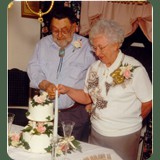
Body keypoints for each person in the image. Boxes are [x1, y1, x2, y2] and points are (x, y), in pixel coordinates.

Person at [58, 20, 152, 160]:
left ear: (116, 44)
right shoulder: (94, 68)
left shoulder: (135, 69)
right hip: (96, 132)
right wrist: (68, 90)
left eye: (101, 47)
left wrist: (132, 121)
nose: (97, 53)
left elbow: (149, 101)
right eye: (94, 48)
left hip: (123, 136)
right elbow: (87, 97)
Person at [27, 7, 96, 142]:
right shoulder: (43, 44)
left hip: (75, 114)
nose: (59, 35)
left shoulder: (88, 48)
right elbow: (33, 68)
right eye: (55, 30)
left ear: (74, 27)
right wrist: (45, 84)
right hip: (45, 112)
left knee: (73, 153)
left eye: (64, 30)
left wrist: (92, 101)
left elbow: (98, 77)